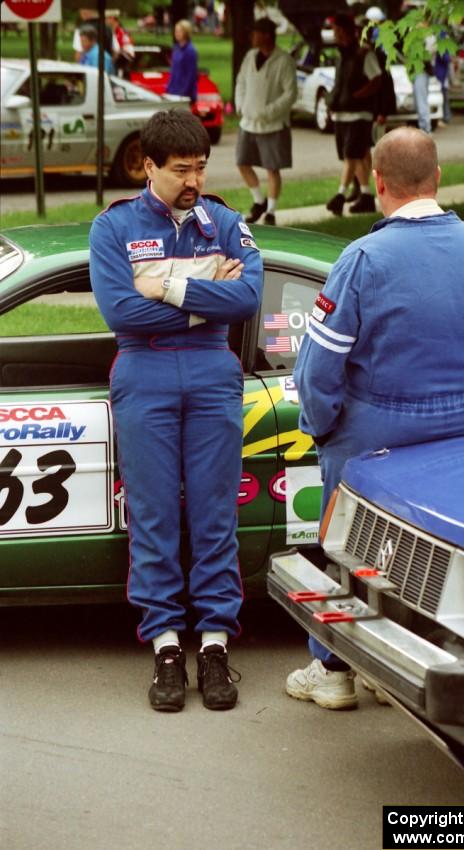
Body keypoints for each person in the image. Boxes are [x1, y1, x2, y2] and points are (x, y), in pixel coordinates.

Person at [286, 126, 464, 710]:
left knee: (349, 553)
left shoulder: (363, 259)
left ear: (377, 183)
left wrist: (327, 429)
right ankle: (409, 664)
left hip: (371, 437)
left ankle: (335, 671)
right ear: (438, 180)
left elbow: (317, 372)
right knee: (440, 559)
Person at [89, 110, 264, 713]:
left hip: (214, 372)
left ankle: (214, 644)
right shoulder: (113, 228)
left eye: (201, 168)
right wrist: (207, 296)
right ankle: (165, 644)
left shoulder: (227, 221)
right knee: (155, 513)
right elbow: (121, 314)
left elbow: (245, 299)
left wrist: (169, 288)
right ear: (148, 166)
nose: (193, 181)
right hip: (144, 371)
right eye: (181, 170)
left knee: (216, 511)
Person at [235, 17, 297, 226]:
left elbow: (290, 94)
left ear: (267, 35)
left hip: (272, 124)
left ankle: (271, 210)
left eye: (256, 33)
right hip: (248, 122)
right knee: (242, 162)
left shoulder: (283, 60)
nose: (252, 36)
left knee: (272, 168)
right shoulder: (249, 56)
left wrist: (269, 111)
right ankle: (258, 201)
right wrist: (240, 104)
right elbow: (241, 82)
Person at [325, 14, 382, 217]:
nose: (337, 36)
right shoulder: (342, 57)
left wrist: (359, 95)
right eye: (335, 32)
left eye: (340, 31)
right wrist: (334, 101)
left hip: (359, 113)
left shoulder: (363, 55)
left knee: (352, 154)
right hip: (342, 113)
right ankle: (366, 195)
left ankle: (340, 195)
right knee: (360, 155)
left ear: (350, 32)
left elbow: (376, 79)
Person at [166, 19, 199, 102]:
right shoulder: (176, 48)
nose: (176, 33)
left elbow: (191, 74)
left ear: (186, 33)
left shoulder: (190, 51)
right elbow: (173, 70)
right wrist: (168, 88)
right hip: (173, 91)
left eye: (179, 31)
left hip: (184, 94)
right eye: (176, 31)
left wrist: (184, 93)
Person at [105, 9, 135, 77]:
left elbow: (129, 53)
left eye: (106, 18)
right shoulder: (110, 32)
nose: (104, 21)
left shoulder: (122, 33)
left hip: (120, 69)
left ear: (112, 18)